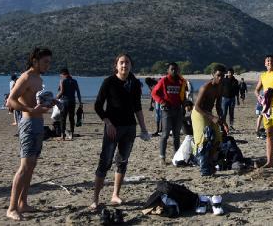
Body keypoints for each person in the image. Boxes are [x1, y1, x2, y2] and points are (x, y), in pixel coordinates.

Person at [90, 54, 151, 210]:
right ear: (116, 65)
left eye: (127, 63)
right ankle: (95, 199)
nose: (124, 65)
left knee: (122, 161)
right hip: (113, 128)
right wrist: (108, 122)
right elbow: (97, 105)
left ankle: (115, 195)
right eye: (121, 63)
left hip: (130, 128)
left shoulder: (135, 84)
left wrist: (143, 129)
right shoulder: (109, 82)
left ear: (131, 65)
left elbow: (137, 107)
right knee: (105, 161)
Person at [5, 48, 54, 221]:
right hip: (27, 124)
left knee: (31, 166)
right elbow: (10, 101)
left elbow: (36, 101)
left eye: (49, 62)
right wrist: (30, 110)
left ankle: (22, 203)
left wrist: (51, 102)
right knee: (24, 167)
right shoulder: (26, 77)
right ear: (35, 61)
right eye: (45, 62)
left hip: (39, 124)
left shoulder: (39, 79)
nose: (48, 65)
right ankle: (11, 208)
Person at [192, 65, 225, 176]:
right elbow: (197, 106)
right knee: (205, 140)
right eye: (218, 75)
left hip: (209, 114)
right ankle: (204, 169)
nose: (220, 78)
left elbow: (219, 106)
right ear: (213, 75)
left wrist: (222, 120)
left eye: (222, 76)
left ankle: (210, 164)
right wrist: (212, 118)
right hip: (199, 113)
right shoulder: (205, 87)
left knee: (217, 138)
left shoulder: (220, 87)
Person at [151, 62, 187, 165]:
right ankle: (162, 157)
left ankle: (176, 156)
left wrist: (185, 105)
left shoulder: (181, 81)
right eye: (172, 69)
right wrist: (162, 101)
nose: (174, 71)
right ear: (168, 70)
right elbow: (154, 93)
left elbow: (183, 95)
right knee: (165, 134)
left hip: (178, 110)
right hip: (167, 111)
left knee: (176, 135)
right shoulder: (164, 81)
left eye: (176, 69)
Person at [55, 68, 82, 140]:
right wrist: (80, 102)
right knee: (71, 118)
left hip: (64, 102)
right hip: (72, 102)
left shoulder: (62, 81)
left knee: (63, 119)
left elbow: (61, 92)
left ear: (63, 74)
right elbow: (78, 92)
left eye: (61, 75)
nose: (60, 76)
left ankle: (62, 136)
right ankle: (72, 134)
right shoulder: (74, 81)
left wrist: (55, 98)